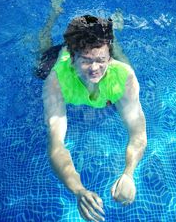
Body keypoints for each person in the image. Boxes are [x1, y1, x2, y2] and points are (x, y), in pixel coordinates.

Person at [41, 15, 147, 222]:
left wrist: (128, 173)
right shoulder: (56, 81)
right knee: (39, 63)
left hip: (113, 70)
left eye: (101, 60)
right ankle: (53, 14)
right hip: (62, 62)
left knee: (122, 68)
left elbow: (138, 132)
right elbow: (56, 145)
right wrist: (78, 190)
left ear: (108, 58)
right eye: (86, 60)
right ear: (74, 59)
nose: (95, 68)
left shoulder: (123, 76)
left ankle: (112, 33)